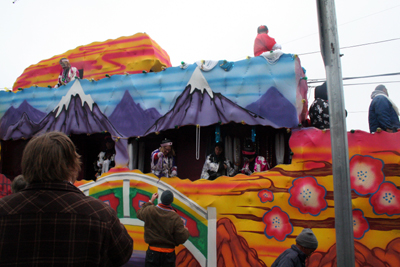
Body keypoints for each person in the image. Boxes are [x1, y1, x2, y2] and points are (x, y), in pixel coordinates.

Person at [0, 132, 133, 266]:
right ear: (73, 166)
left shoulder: (4, 210)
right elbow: (123, 254)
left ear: (26, 164)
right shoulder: (99, 214)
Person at [137, 190, 189, 267]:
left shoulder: (150, 210)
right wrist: (185, 230)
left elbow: (139, 214)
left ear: (161, 199)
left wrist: (151, 201)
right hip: (168, 255)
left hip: (152, 253)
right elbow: (181, 238)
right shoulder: (175, 217)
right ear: (171, 201)